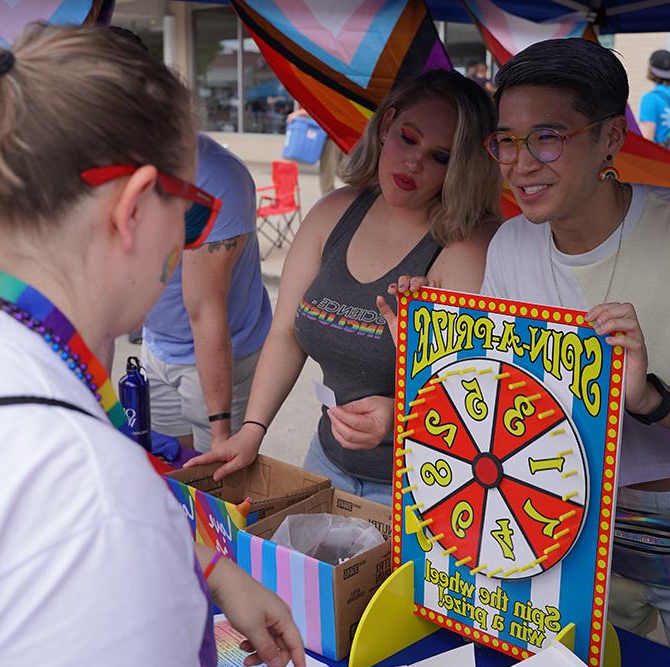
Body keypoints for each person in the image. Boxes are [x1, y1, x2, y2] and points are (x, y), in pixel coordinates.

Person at [0, 15, 303, 667]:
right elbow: (92, 514)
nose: (188, 237)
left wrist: (212, 564)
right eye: (191, 209)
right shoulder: (91, 503)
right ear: (133, 209)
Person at [386, 39, 670, 647]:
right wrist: (430, 363)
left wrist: (649, 398)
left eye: (548, 136)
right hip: (550, 527)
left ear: (610, 137)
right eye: (506, 140)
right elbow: (504, 410)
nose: (521, 163)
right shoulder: (510, 246)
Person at [188, 70, 501, 504]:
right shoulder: (335, 211)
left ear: (463, 167)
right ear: (387, 124)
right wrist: (252, 430)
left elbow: (481, 395)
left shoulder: (466, 246)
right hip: (326, 462)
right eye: (408, 139)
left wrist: (402, 417)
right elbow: (285, 335)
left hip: (422, 487)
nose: (413, 163)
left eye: (440, 157)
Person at [142, 133, 273, 453]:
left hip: (219, 357)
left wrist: (220, 430)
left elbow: (204, 309)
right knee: (168, 467)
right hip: (157, 347)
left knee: (214, 481)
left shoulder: (215, 176)